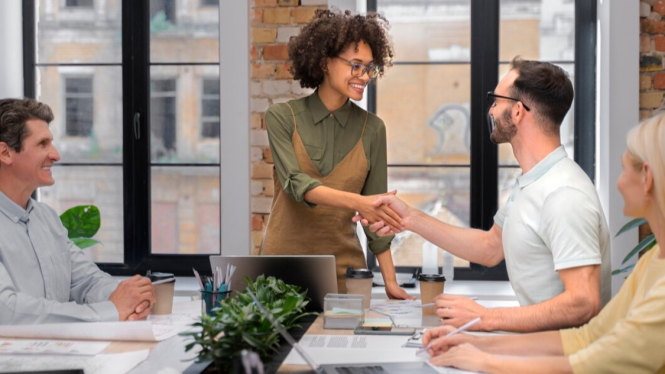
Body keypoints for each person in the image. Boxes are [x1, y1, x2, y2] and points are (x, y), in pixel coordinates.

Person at [356, 58, 611, 332]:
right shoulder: (532, 181)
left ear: (517, 112)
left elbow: (583, 302)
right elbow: (490, 248)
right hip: (538, 351)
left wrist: (486, 318)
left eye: (496, 100)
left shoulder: (564, 194)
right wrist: (410, 218)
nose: (490, 110)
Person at [422, 115, 665, 374]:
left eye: (624, 168)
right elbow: (585, 338)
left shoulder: (565, 194)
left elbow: (598, 363)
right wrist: (475, 344)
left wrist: (484, 359)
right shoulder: (652, 261)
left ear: (647, 177)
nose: (618, 182)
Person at [260, 9, 412, 298]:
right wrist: (360, 203)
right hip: (279, 273)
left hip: (346, 276)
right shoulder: (281, 117)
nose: (364, 76)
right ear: (324, 62)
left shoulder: (373, 130)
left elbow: (376, 217)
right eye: (356, 65)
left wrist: (390, 282)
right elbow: (296, 184)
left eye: (370, 67)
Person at [0, 98, 156, 324]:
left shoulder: (47, 218)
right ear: (5, 153)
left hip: (61, 352)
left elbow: (87, 281)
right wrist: (112, 310)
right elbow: (7, 310)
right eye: (42, 144)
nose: (55, 155)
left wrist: (132, 299)